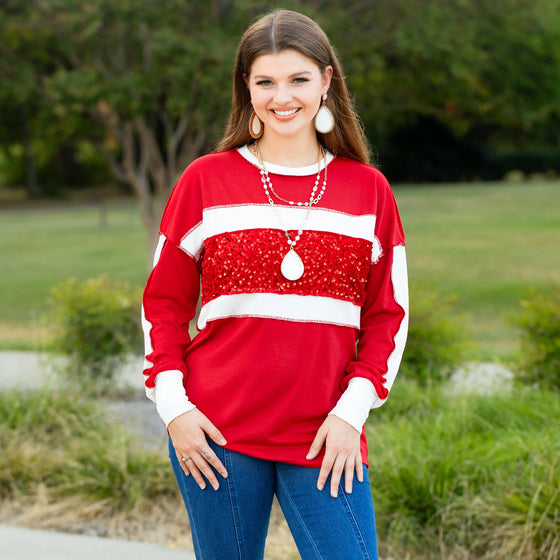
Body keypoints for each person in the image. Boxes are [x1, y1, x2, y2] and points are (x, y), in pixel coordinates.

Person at [142, 9, 408, 560]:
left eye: (298, 79)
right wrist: (175, 409)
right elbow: (162, 305)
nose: (281, 97)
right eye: (265, 81)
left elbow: (389, 315)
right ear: (247, 87)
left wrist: (351, 412)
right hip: (216, 433)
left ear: (327, 80)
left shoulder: (369, 190)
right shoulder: (205, 180)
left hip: (325, 432)